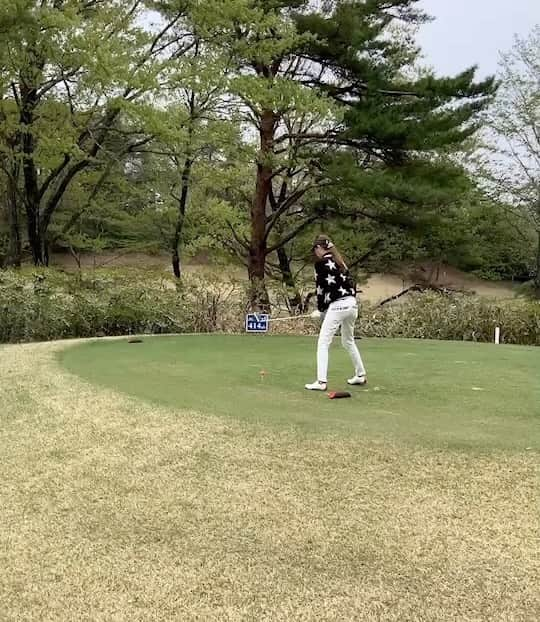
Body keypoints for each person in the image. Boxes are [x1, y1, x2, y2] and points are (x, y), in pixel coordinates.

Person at [305, 235, 367, 391]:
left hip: (338, 305)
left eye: (315, 249)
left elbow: (320, 289)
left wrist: (320, 310)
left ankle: (321, 382)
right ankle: (360, 375)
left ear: (320, 248)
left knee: (323, 342)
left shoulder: (320, 264)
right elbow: (349, 283)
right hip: (352, 304)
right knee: (348, 340)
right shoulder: (340, 262)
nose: (315, 252)